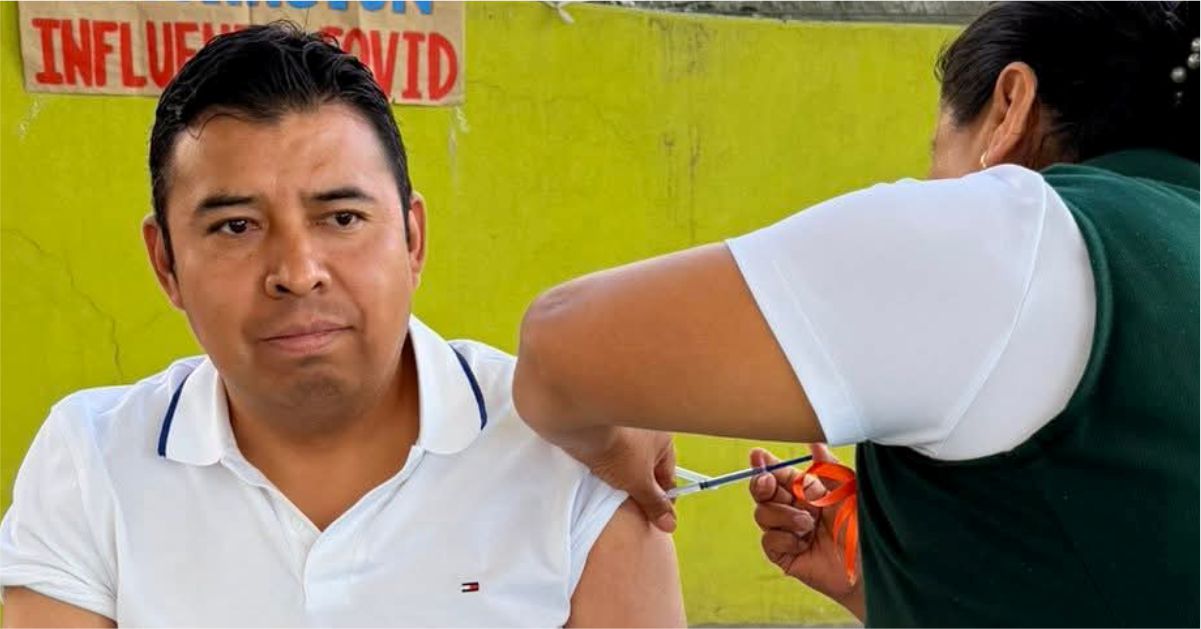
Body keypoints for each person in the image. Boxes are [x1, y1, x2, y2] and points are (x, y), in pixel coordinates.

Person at [512, 2, 1199, 626]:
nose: (934, 182)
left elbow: (555, 348)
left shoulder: (1006, 232)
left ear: (1008, 110)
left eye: (938, 154)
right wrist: (898, 577)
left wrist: (614, 438)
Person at [0, 24, 684, 627]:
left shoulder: (576, 450)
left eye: (343, 218)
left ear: (412, 240)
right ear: (166, 263)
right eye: (236, 226)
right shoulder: (91, 459)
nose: (297, 272)